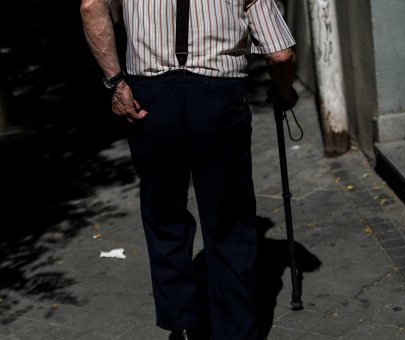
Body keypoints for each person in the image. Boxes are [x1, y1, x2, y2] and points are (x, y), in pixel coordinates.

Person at [80, 0, 298, 339]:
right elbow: (280, 54)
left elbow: (91, 7)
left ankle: (181, 326)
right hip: (219, 98)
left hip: (150, 99)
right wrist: (284, 91)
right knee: (229, 222)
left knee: (164, 216)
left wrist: (116, 84)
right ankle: (236, 332)